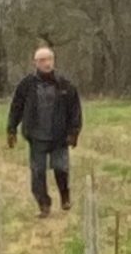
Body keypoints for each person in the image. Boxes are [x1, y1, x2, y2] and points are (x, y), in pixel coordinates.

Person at [5, 44, 84, 216]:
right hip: (36, 136)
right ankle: (44, 205)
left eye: (49, 59)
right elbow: (16, 107)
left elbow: (75, 110)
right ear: (35, 63)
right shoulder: (26, 85)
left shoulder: (65, 85)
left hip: (59, 136)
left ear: (53, 61)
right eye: (42, 60)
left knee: (61, 168)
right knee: (38, 173)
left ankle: (65, 196)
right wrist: (11, 128)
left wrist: (74, 132)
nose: (46, 63)